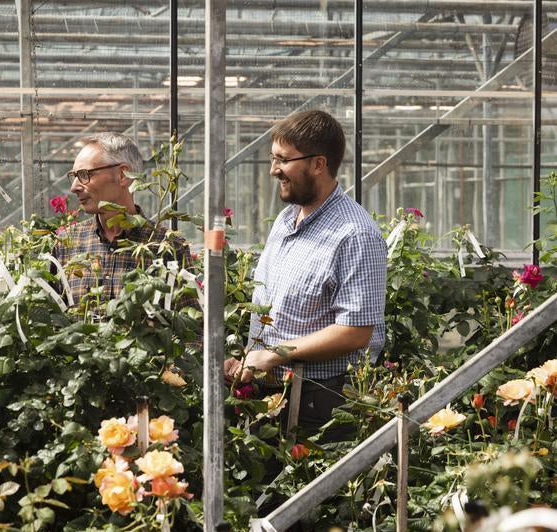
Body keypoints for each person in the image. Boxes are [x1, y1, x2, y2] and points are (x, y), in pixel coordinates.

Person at [224, 110, 387, 441]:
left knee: (315, 491)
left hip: (322, 406)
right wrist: (249, 359)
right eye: (273, 159)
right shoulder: (286, 220)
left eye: (283, 160)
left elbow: (355, 331)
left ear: (318, 164)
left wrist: (273, 354)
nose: (274, 170)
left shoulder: (354, 234)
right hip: (275, 396)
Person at [53, 133, 193, 306]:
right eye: (73, 176)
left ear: (122, 175)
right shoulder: (67, 243)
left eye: (84, 174)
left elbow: (191, 328)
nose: (74, 187)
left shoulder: (167, 246)